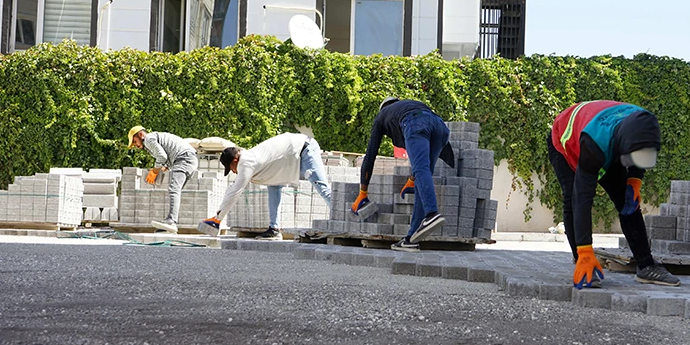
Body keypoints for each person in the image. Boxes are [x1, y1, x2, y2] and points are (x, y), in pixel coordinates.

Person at [547, 100, 681, 289]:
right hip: (565, 138)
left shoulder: (644, 124)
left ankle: (646, 265)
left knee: (627, 199)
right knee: (572, 197)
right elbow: (582, 199)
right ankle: (583, 262)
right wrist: (586, 250)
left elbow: (640, 153)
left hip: (611, 135)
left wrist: (634, 181)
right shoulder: (594, 145)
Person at [354, 97, 453, 252]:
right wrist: (412, 179)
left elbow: (370, 155)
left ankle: (432, 214)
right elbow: (428, 125)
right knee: (423, 174)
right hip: (440, 126)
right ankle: (411, 239)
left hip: (415, 122)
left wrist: (363, 192)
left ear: (383, 108)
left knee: (421, 169)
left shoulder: (381, 116)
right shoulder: (407, 105)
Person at [201, 132, 331, 240]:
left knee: (322, 188)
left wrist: (218, 219)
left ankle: (349, 214)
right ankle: (274, 229)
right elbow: (232, 188)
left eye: (231, 169)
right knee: (273, 185)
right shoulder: (249, 157)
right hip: (292, 155)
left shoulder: (246, 163)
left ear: (235, 161)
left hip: (304, 149)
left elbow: (235, 191)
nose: (234, 172)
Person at [128, 126, 198, 234]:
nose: (136, 146)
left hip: (184, 159)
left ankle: (171, 221)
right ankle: (169, 225)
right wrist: (165, 167)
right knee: (175, 191)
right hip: (188, 159)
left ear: (141, 135)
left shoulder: (148, 139)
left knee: (174, 189)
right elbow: (168, 154)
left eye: (135, 142)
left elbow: (162, 156)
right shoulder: (154, 138)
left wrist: (155, 171)